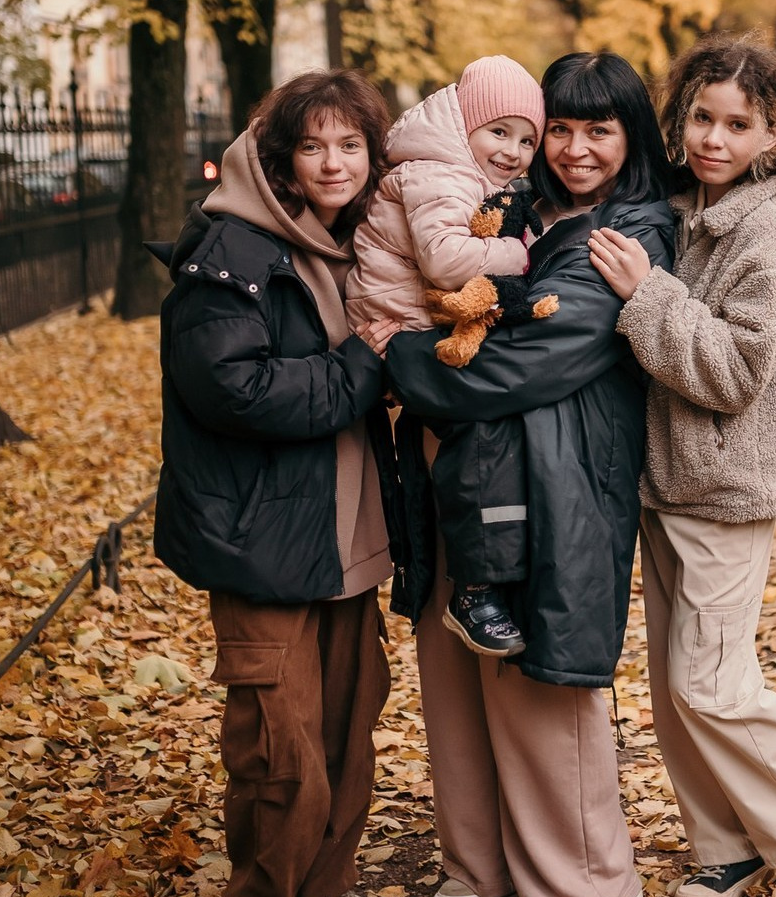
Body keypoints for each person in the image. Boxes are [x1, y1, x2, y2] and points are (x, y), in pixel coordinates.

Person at [369, 52, 676, 897]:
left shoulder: (631, 232)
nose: (576, 149)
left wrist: (394, 356)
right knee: (458, 704)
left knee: (542, 712)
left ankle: (580, 887)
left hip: (552, 490)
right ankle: (476, 877)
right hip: (458, 478)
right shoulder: (510, 208)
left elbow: (526, 360)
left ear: (632, 136)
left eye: (599, 131)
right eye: (560, 129)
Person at [587, 36, 776, 897]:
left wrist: (648, 295)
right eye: (701, 117)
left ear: (772, 131)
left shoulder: (769, 234)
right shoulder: (692, 211)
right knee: (677, 693)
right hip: (669, 484)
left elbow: (737, 373)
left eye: (736, 124)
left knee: (709, 679)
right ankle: (726, 848)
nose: (714, 138)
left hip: (730, 490)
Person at [153, 69, 396, 897]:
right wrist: (364, 361)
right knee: (282, 766)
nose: (334, 162)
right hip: (262, 540)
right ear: (281, 159)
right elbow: (231, 387)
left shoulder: (345, 245)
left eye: (350, 144)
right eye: (313, 145)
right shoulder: (233, 249)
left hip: (342, 544)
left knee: (345, 750)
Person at [345, 54, 547, 658]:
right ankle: (474, 588)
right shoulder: (440, 172)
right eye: (499, 132)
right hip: (396, 319)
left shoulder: (461, 171)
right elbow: (447, 261)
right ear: (466, 126)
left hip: (414, 311)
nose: (512, 151)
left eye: (526, 140)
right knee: (475, 429)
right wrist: (522, 258)